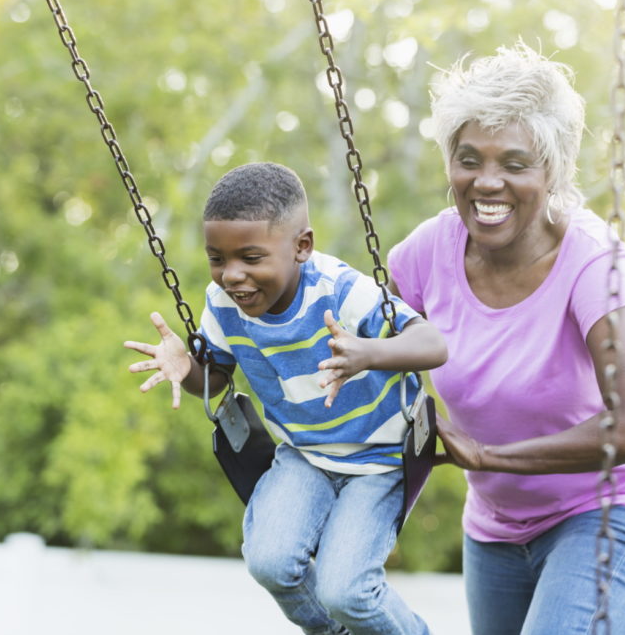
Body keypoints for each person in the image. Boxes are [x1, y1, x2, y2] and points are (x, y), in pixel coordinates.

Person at [386, 43, 625, 635]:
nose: (487, 182)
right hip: (495, 527)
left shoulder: (593, 263)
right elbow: (349, 340)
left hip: (609, 512)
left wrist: (490, 457)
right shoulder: (426, 253)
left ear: (551, 172)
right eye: (469, 159)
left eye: (515, 164)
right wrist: (214, 358)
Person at [124, 162, 447, 635]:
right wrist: (187, 369)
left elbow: (433, 345)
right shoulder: (222, 304)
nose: (231, 275)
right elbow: (213, 378)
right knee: (270, 561)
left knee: (346, 590)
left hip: (378, 460)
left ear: (302, 247)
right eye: (217, 258)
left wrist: (367, 354)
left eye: (250, 258)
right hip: (304, 456)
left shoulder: (342, 291)